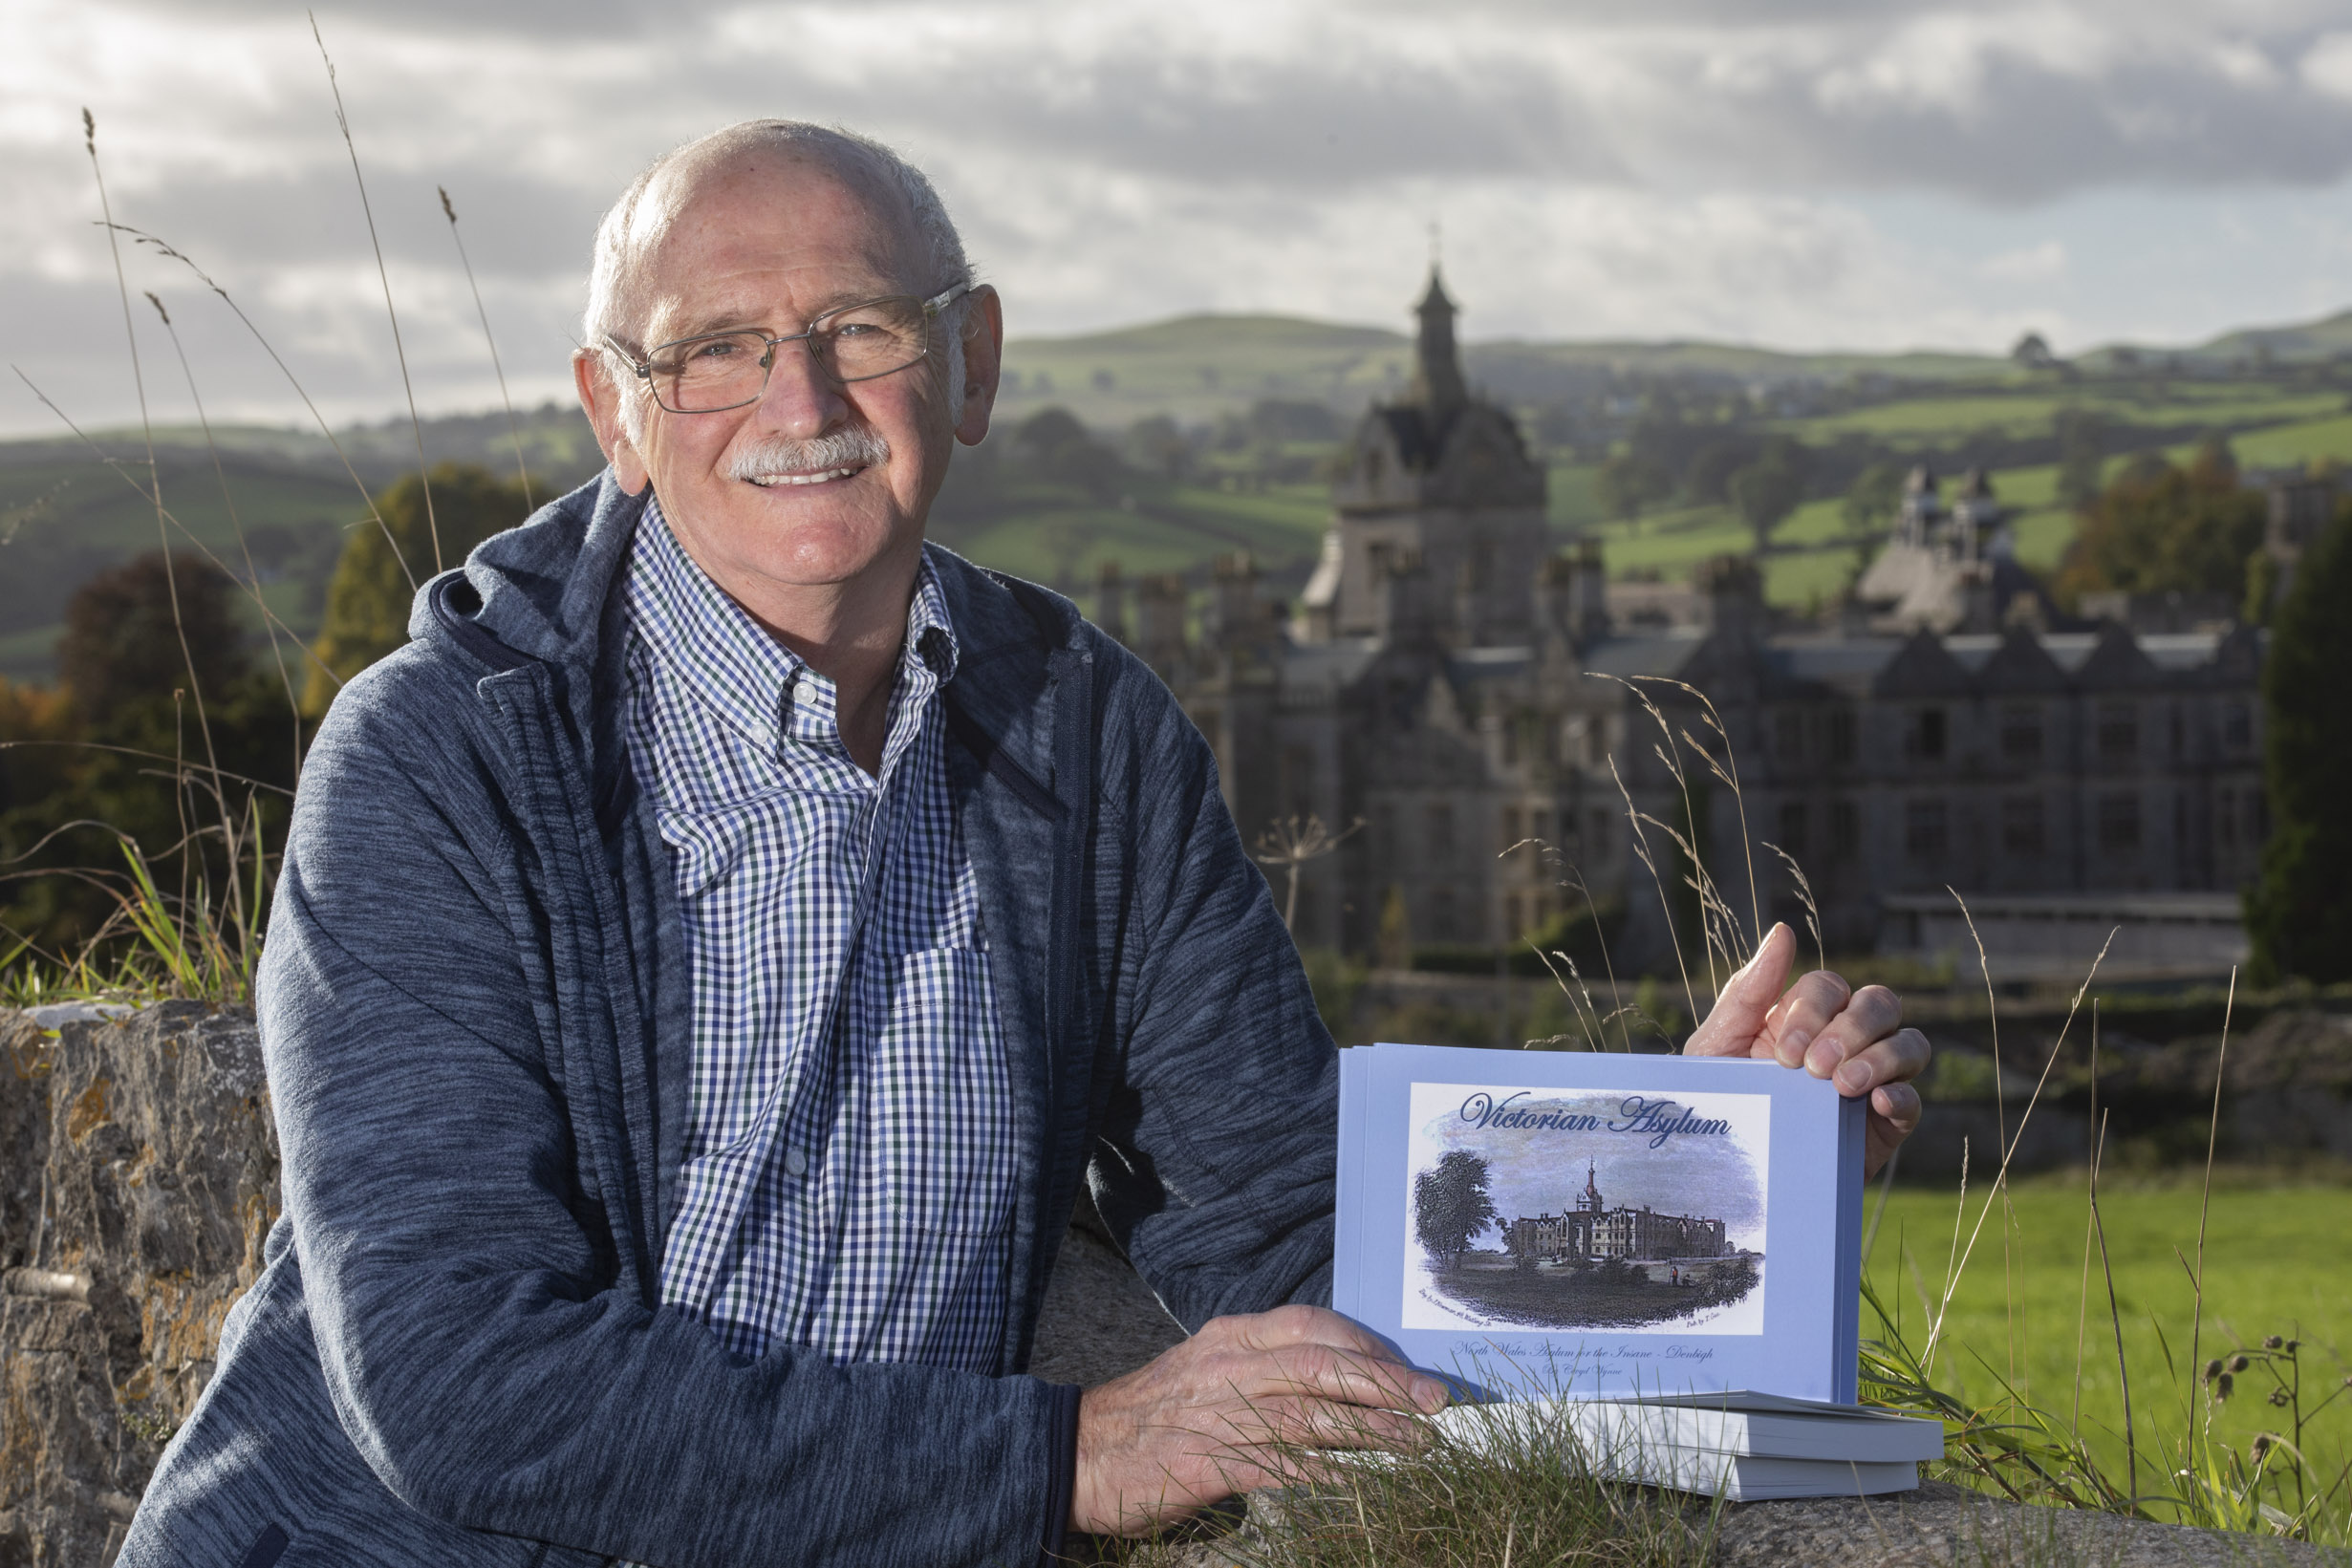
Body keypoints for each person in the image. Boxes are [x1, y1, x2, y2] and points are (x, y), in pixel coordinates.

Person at [121, 120, 1930, 1566]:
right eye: (720, 351)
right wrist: (1067, 1450)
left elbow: (1273, 1212)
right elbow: (462, 1380)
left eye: (865, 332)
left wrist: (1668, 1165)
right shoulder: (445, 752)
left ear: (968, 364)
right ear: (615, 412)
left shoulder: (1082, 723)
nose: (804, 401)